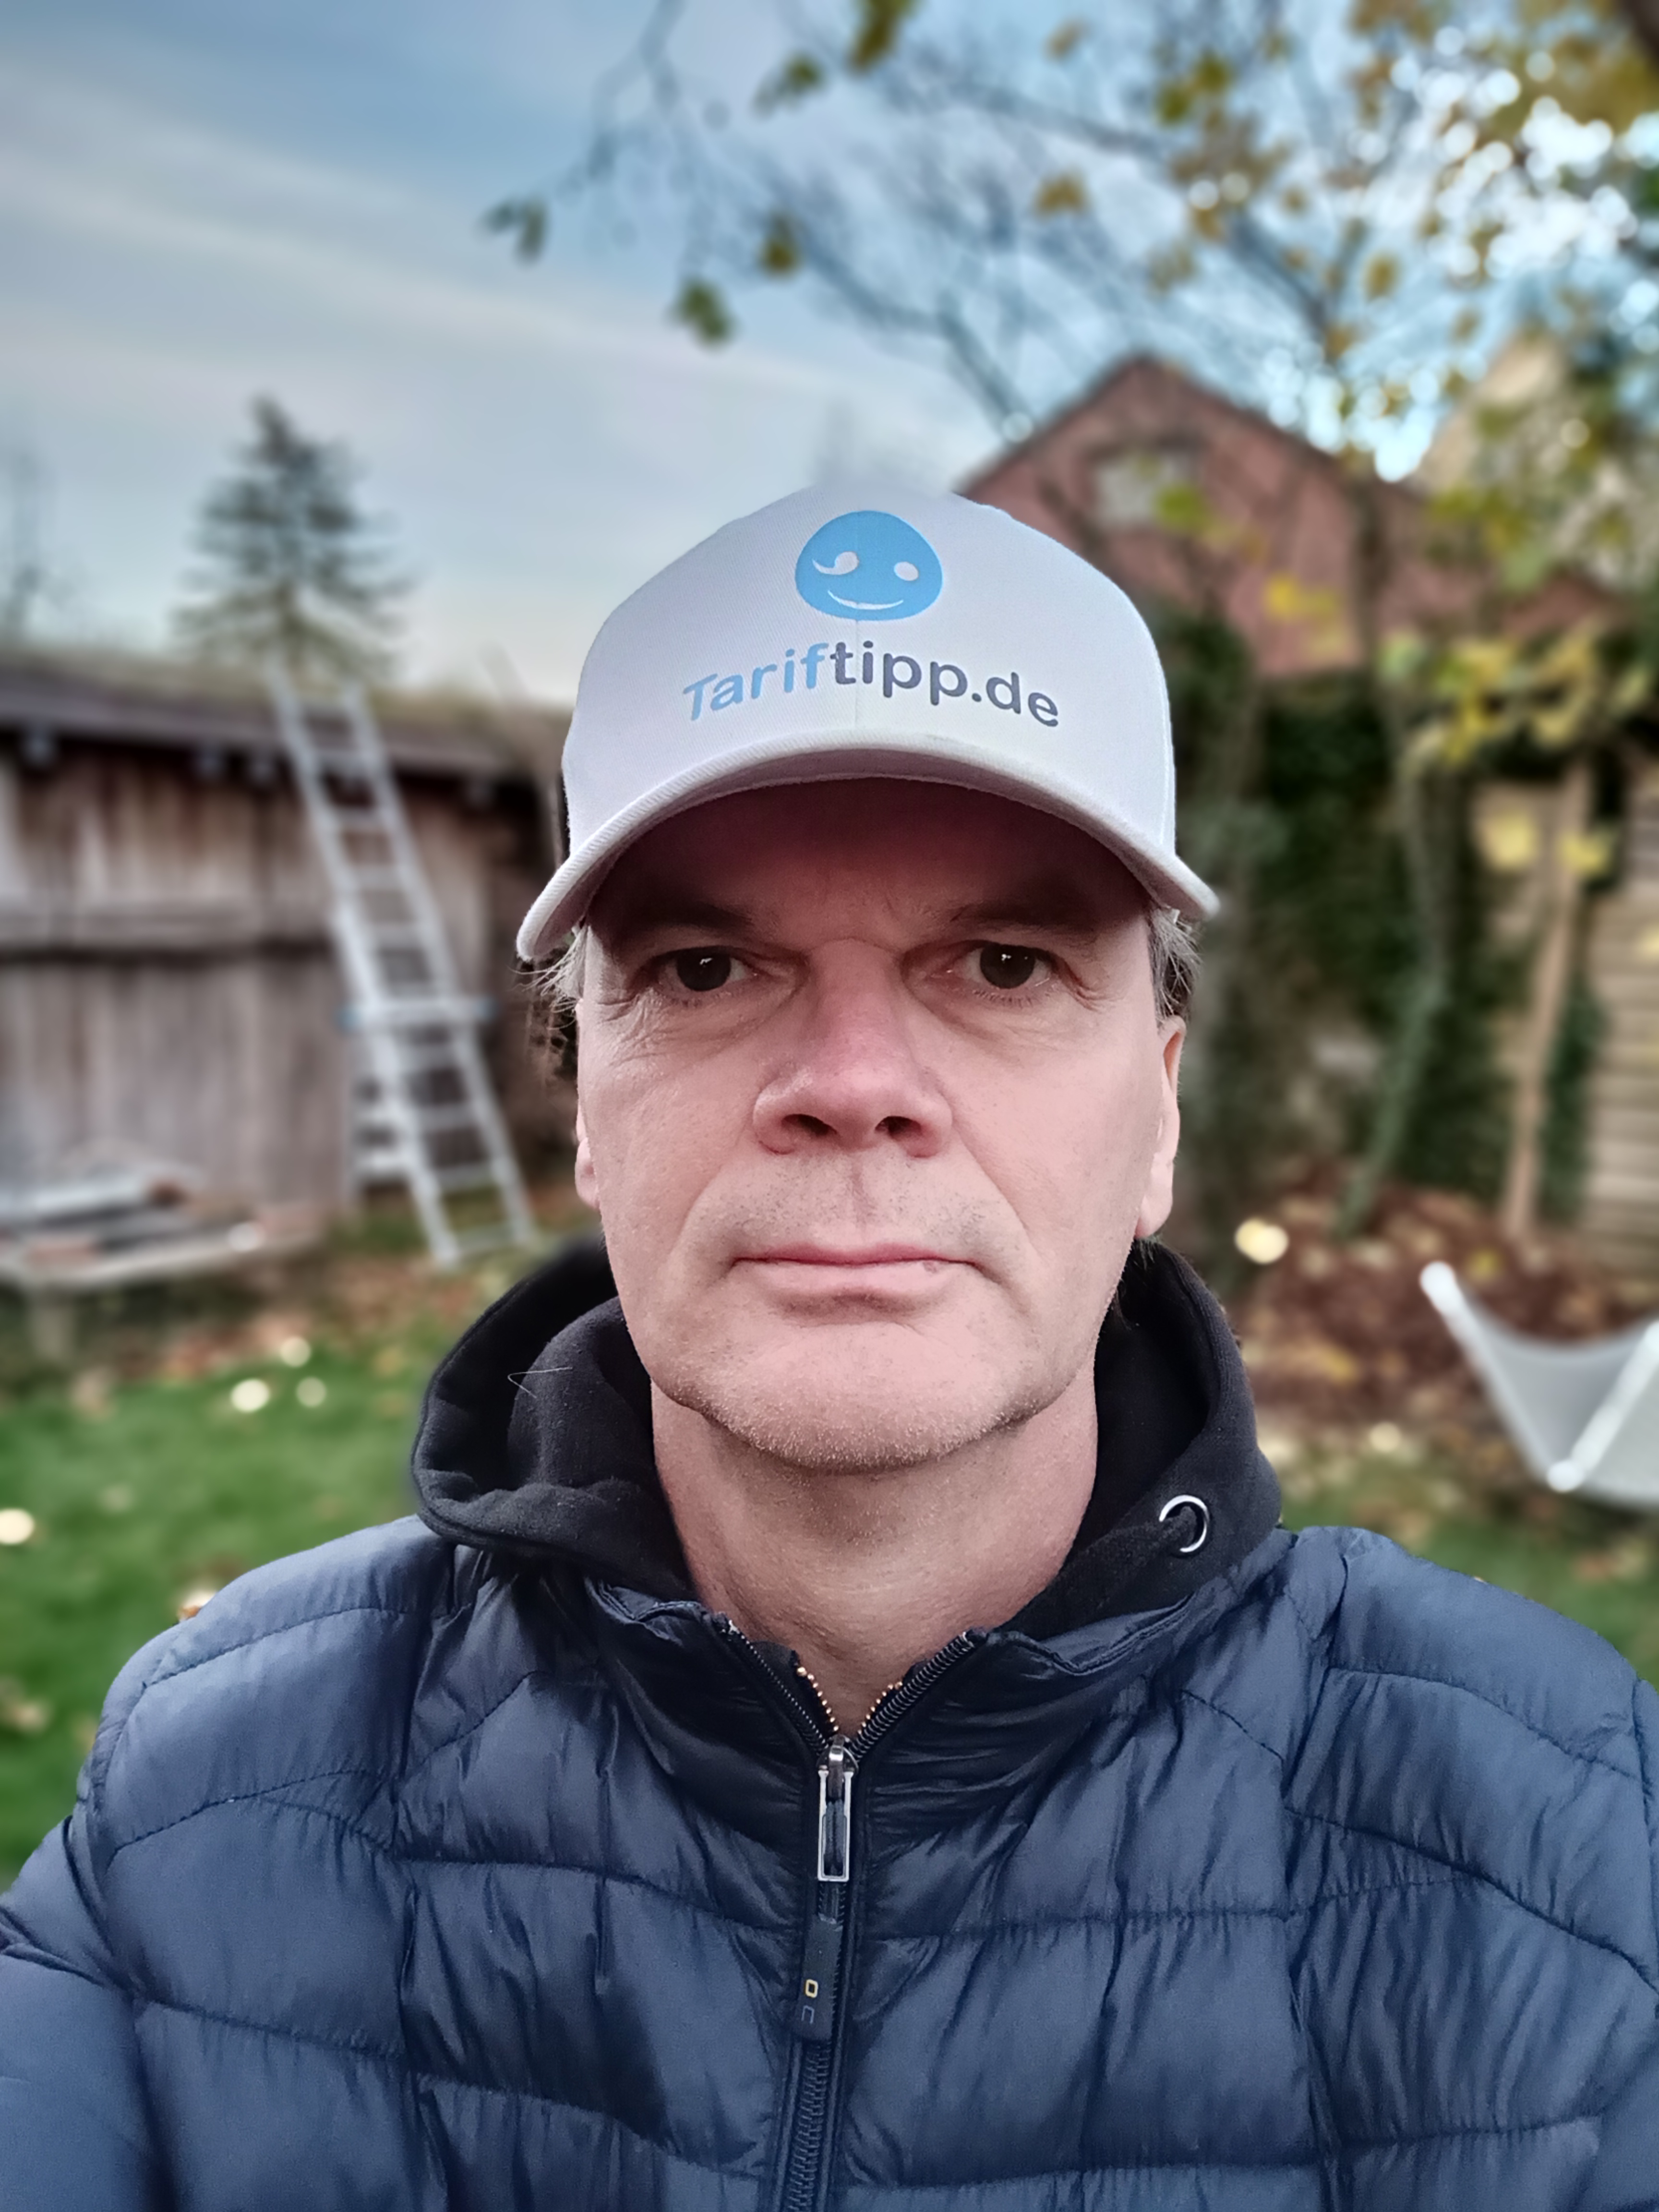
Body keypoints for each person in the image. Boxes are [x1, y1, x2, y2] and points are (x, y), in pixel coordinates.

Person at [2, 486, 1657, 2211]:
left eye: (1003, 964)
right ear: (585, 1109)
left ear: (1160, 1112)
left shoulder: (1573, 1853)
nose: (854, 1081)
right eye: (707, 967)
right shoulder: (206, 1800)